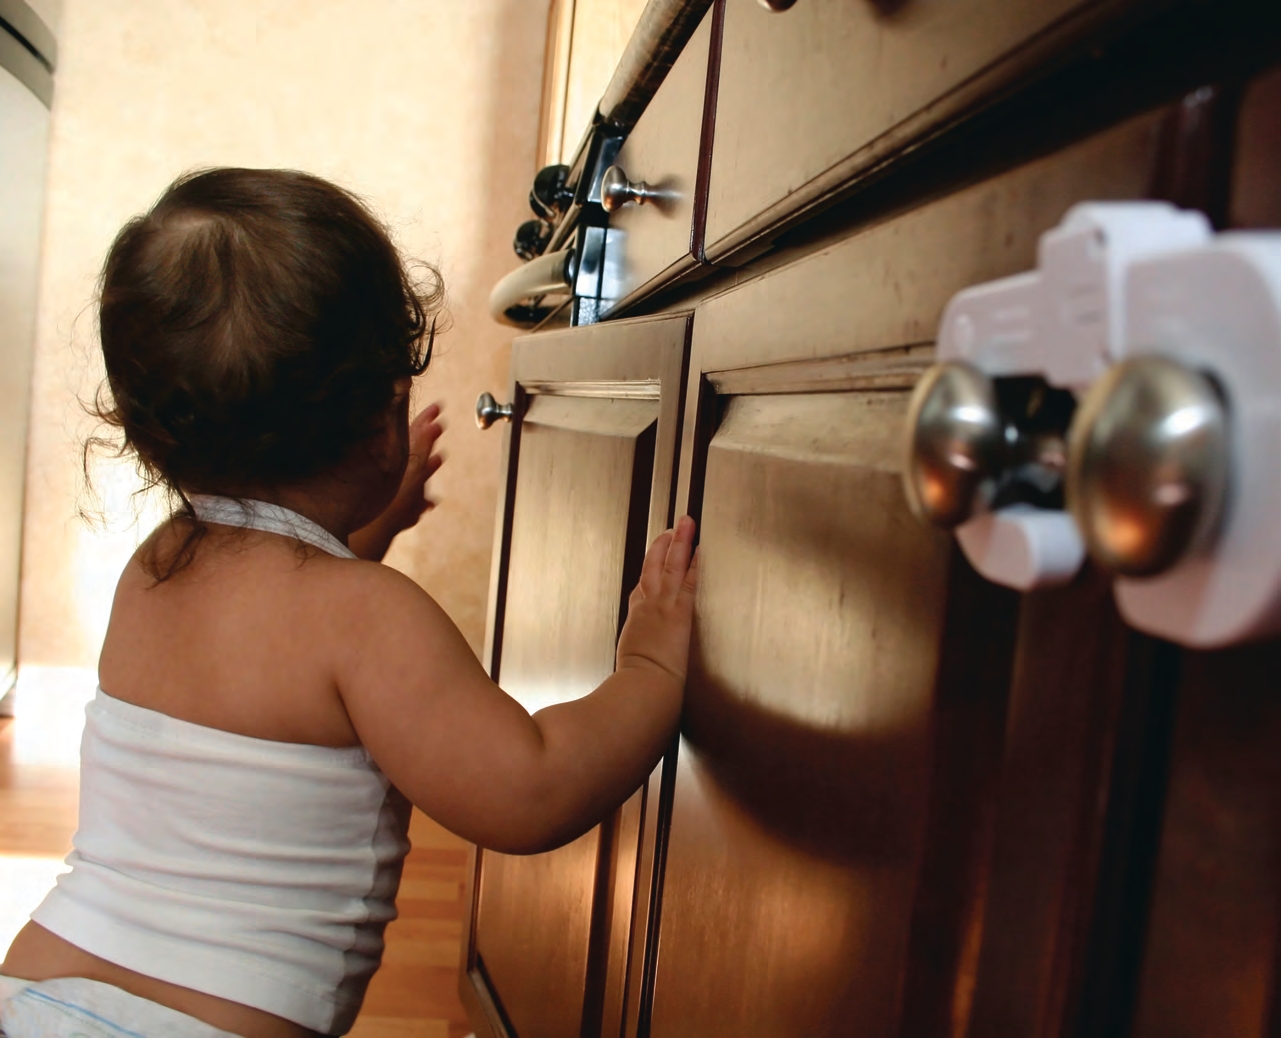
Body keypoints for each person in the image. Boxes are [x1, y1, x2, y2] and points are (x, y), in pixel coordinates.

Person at [0, 168, 697, 1038]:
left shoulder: (157, 566)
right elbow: (532, 790)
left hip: (36, 988)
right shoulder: (370, 617)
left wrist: (364, 529)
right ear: (384, 417)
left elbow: (281, 638)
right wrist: (652, 668)